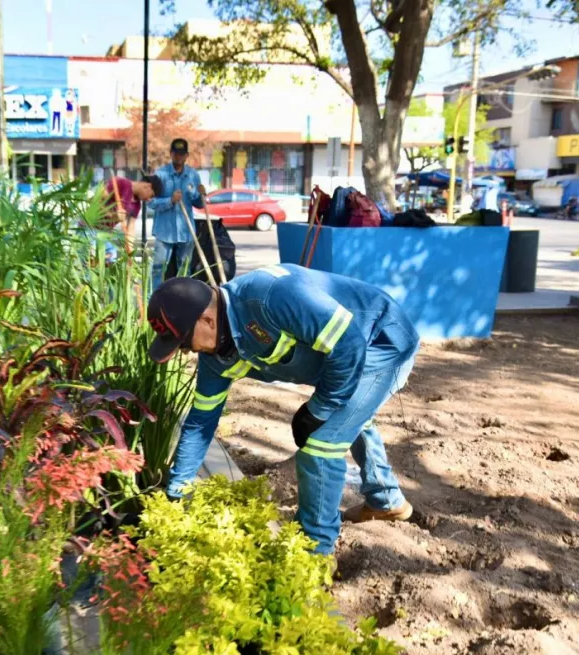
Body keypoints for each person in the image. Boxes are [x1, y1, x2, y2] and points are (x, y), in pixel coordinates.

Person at [147, 265, 419, 555]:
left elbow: (348, 344)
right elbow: (200, 423)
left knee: (321, 445)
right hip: (336, 356)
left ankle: (313, 553)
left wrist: (319, 408)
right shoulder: (216, 357)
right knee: (350, 420)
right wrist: (178, 492)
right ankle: (387, 502)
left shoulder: (270, 297)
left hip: (378, 342)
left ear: (208, 320)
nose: (187, 352)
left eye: (184, 343)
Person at [148, 138, 207, 290]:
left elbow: (199, 204)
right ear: (171, 154)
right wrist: (170, 200)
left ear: (186, 155)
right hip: (164, 231)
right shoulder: (160, 175)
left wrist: (202, 196)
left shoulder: (193, 175)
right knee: (158, 269)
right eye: (176, 153)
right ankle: (153, 300)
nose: (179, 157)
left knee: (184, 270)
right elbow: (151, 202)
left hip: (186, 232)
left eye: (182, 154)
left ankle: (181, 300)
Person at [104, 174, 163, 252]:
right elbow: (97, 198)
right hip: (90, 229)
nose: (149, 199)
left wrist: (130, 248)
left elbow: (131, 228)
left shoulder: (137, 205)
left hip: (105, 234)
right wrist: (112, 215)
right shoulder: (122, 183)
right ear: (148, 186)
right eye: (151, 196)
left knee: (110, 259)